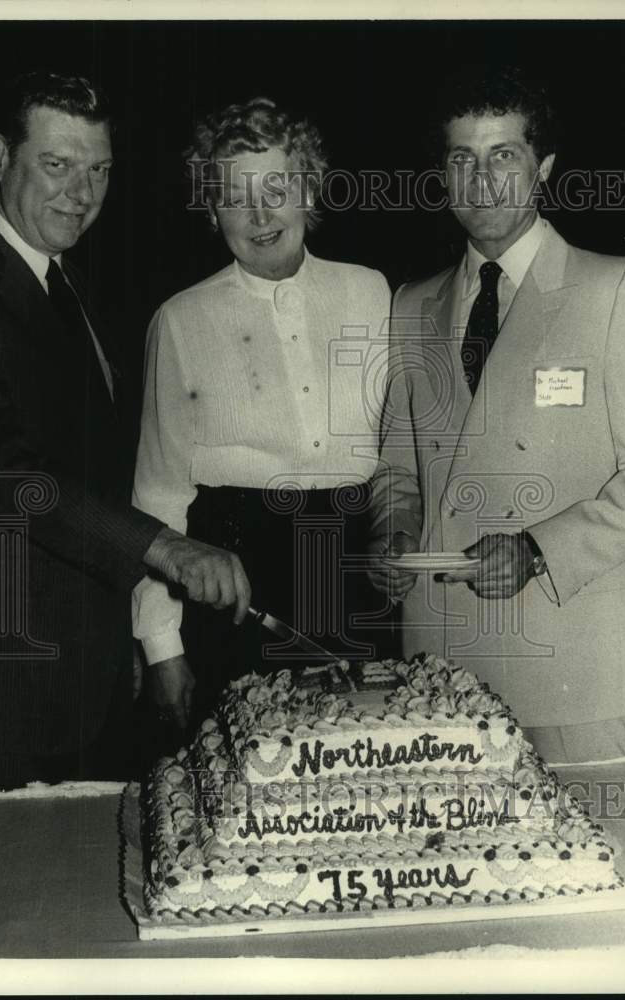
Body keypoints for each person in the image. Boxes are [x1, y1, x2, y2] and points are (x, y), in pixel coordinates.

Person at [0, 71, 250, 789]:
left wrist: (147, 640)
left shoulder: (72, 281)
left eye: (99, 170)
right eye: (57, 164)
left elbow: (102, 473)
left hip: (90, 683)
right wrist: (162, 546)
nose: (80, 193)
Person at [369, 66, 625, 763]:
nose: (481, 179)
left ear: (544, 167)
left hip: (573, 669)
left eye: (504, 156)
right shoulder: (409, 304)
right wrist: (393, 531)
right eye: (461, 159)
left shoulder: (621, 290)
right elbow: (397, 468)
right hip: (437, 669)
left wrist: (537, 549)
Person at [132, 97, 394, 719]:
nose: (259, 214)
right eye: (233, 195)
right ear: (212, 209)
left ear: (309, 189)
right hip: (233, 597)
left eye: (277, 187)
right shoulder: (179, 319)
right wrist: (161, 645)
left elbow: (403, 452)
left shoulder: (371, 290)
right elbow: (158, 496)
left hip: (359, 586)